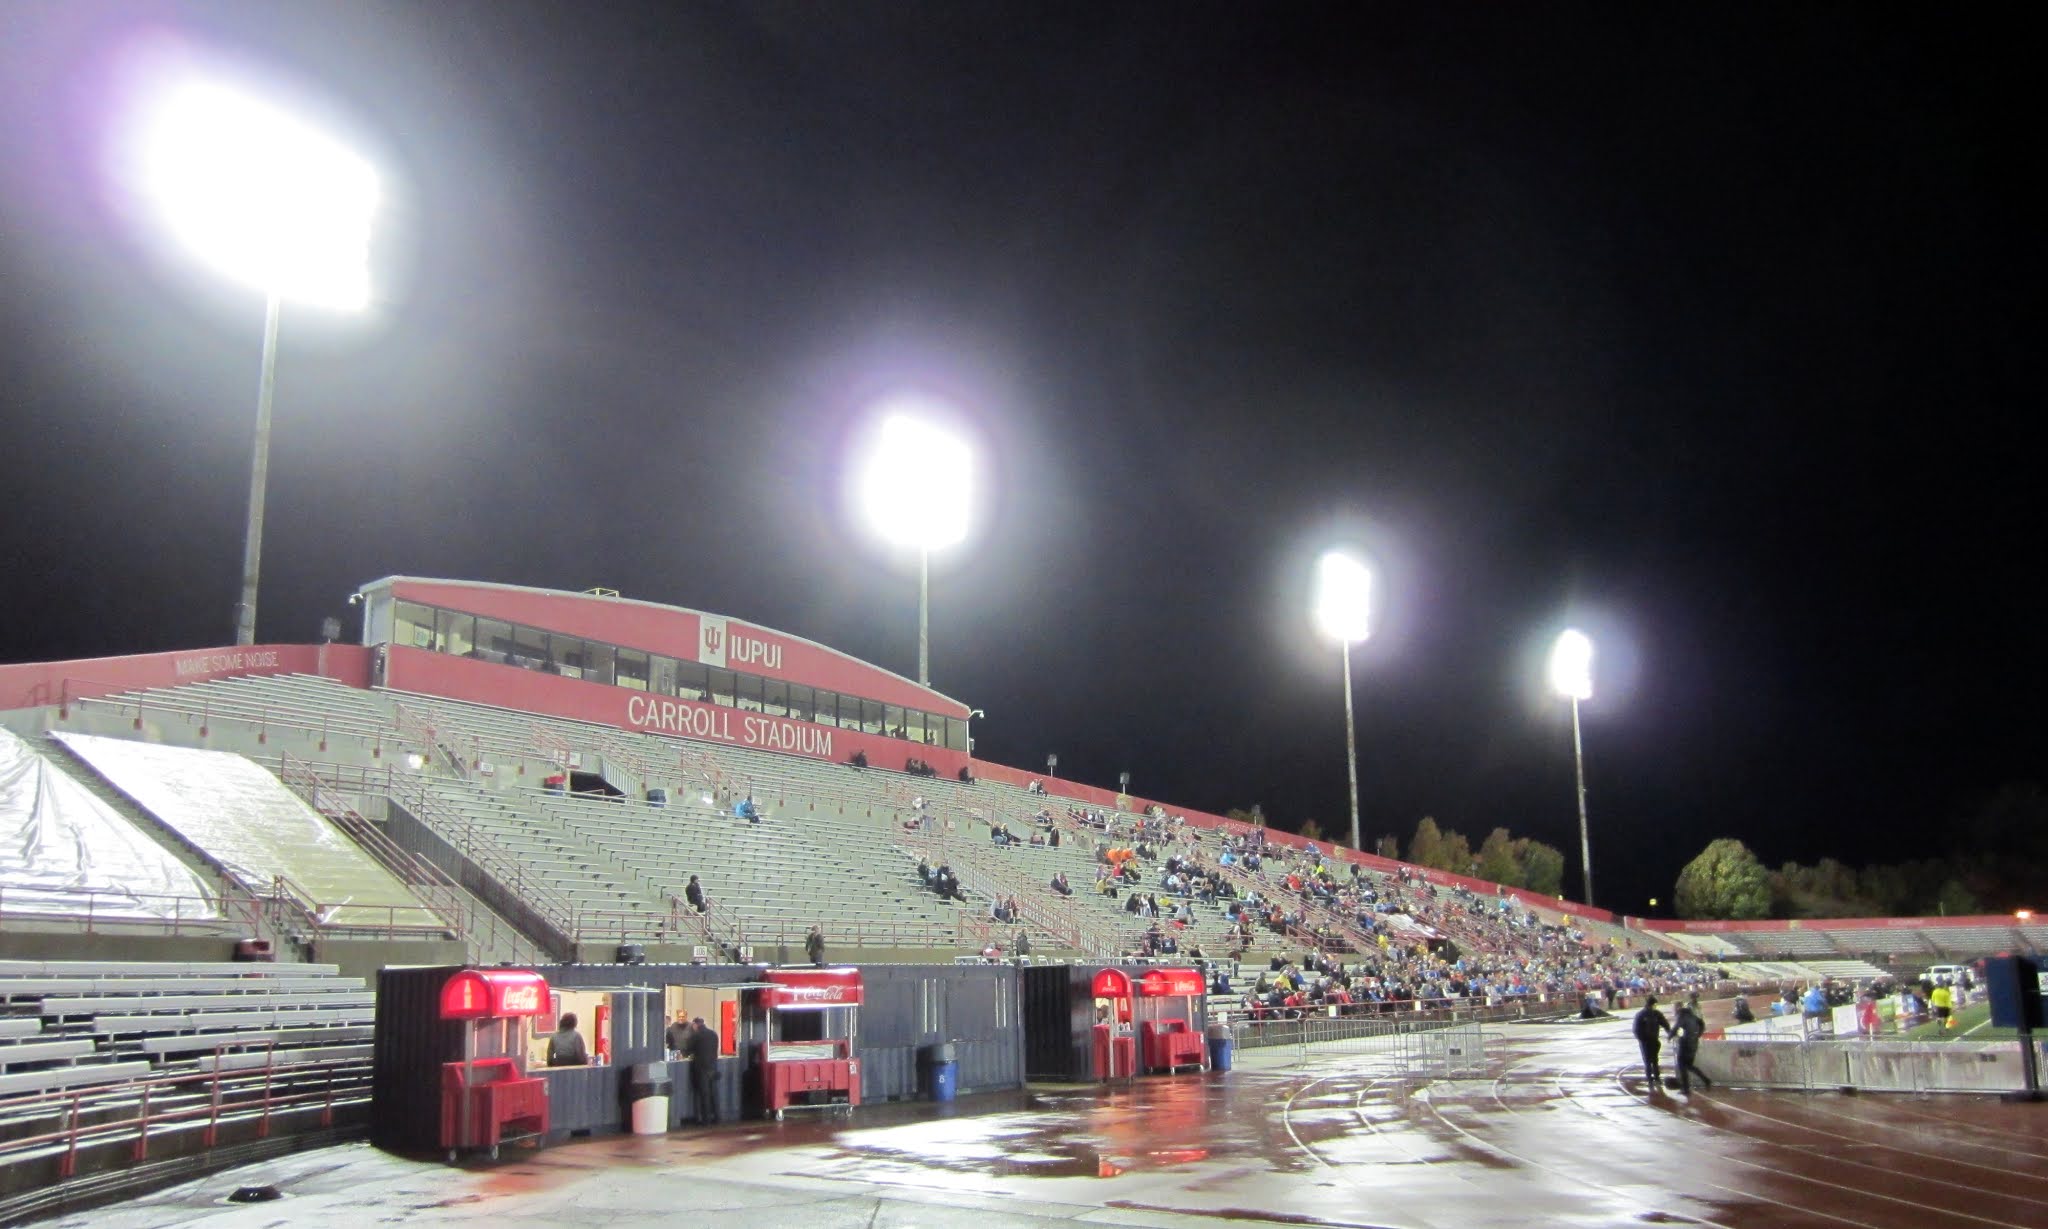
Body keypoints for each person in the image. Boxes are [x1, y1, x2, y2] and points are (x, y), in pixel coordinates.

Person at [1671, 996, 1711, 1094]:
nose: (1672, 1009)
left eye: (1673, 1007)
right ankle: (1705, 1079)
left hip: (1686, 1043)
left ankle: (1686, 1088)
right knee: (1689, 1065)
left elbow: (1676, 1027)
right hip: (1693, 1042)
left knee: (1682, 1065)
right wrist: (1698, 1034)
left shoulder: (1681, 1014)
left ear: (1677, 1007)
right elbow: (1701, 1023)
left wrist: (1670, 1035)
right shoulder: (1691, 1014)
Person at [686, 1015, 721, 1124]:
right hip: (713, 1066)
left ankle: (706, 1120)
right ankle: (718, 1117)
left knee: (704, 1094)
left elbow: (688, 1051)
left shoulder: (696, 1036)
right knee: (714, 1093)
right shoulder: (714, 1034)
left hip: (701, 1068)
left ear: (696, 1025)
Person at [1633, 996, 1670, 1092]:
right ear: (1653, 1004)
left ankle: (1652, 1079)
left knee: (1650, 1061)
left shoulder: (1643, 1014)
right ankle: (1654, 1078)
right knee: (1652, 1060)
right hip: (1650, 1041)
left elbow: (1636, 1030)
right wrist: (1670, 1033)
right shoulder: (1652, 1014)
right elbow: (1665, 1024)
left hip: (1649, 1041)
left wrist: (1641, 1039)